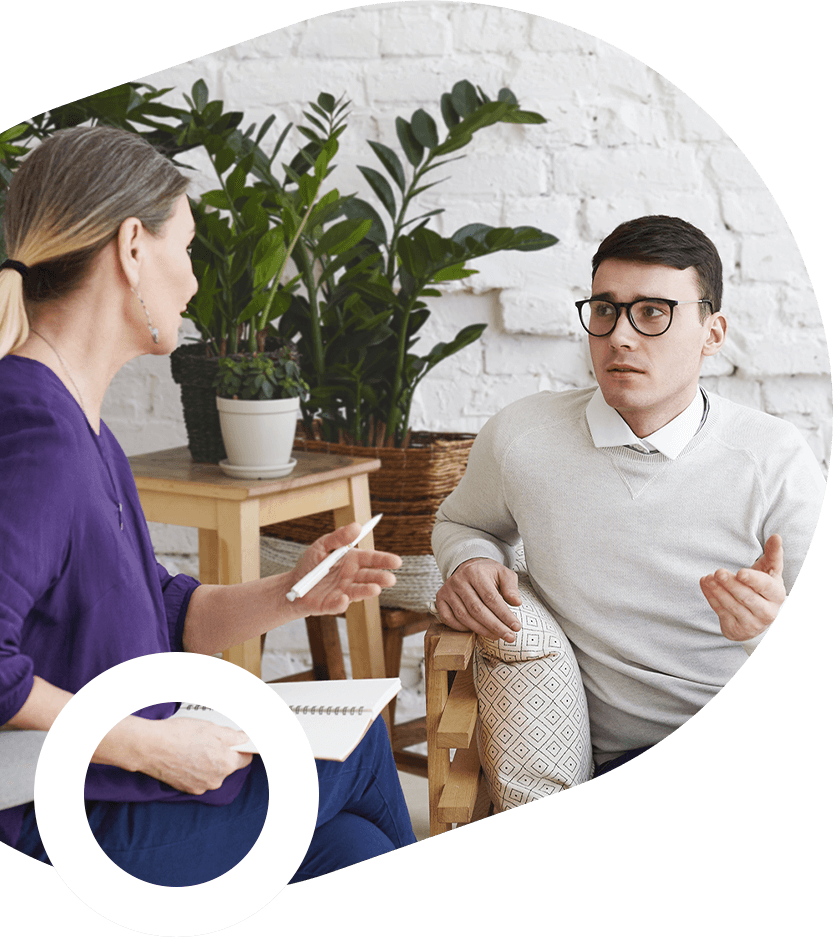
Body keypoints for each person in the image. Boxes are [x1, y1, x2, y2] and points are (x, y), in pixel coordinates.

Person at [0, 125, 415, 885]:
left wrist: (293, 593)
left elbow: (161, 613)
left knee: (351, 847)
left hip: (113, 792)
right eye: (186, 248)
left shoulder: (82, 427)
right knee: (358, 750)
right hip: (64, 819)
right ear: (132, 248)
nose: (191, 283)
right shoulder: (36, 430)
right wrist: (153, 746)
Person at [431, 215, 825, 776]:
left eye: (652, 312)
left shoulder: (773, 458)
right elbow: (463, 523)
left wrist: (761, 627)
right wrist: (470, 561)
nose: (619, 336)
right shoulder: (522, 436)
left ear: (712, 334)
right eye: (605, 310)